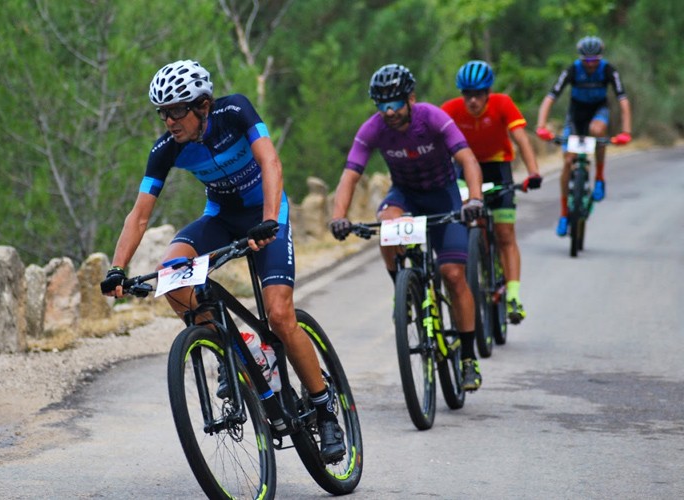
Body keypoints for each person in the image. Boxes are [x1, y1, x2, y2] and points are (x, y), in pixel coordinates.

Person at [99, 60, 345, 463]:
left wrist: (268, 218)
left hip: (266, 214)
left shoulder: (235, 111)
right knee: (171, 279)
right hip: (221, 217)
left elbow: (270, 162)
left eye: (177, 110)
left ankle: (324, 408)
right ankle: (237, 349)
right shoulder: (166, 149)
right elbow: (139, 214)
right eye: (162, 111)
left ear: (203, 105)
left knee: (281, 316)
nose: (169, 120)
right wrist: (117, 268)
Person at [330, 63, 485, 391]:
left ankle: (469, 358)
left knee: (454, 275)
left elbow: (468, 159)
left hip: (444, 197)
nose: (389, 112)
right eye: (382, 105)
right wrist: (339, 216)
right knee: (387, 224)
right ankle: (403, 288)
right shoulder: (373, 128)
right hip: (405, 196)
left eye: (395, 103)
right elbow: (350, 174)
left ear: (410, 98)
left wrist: (473, 199)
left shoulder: (432, 117)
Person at [441, 60, 543, 324]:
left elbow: (521, 138)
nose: (472, 101)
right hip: (465, 169)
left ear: (488, 92)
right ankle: (478, 256)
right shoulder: (450, 110)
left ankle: (513, 295)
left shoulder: (503, 104)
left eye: (478, 94)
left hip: (498, 168)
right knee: (469, 219)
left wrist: (533, 172)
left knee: (505, 232)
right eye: (467, 95)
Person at [535, 36, 632, 236]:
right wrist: (541, 126)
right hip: (575, 116)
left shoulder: (608, 70)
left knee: (598, 132)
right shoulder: (572, 69)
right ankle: (563, 214)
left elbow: (623, 100)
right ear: (581, 59)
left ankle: (599, 177)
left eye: (594, 60)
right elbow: (550, 97)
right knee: (568, 160)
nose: (590, 65)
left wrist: (626, 132)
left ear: (600, 58)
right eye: (586, 61)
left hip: (598, 112)